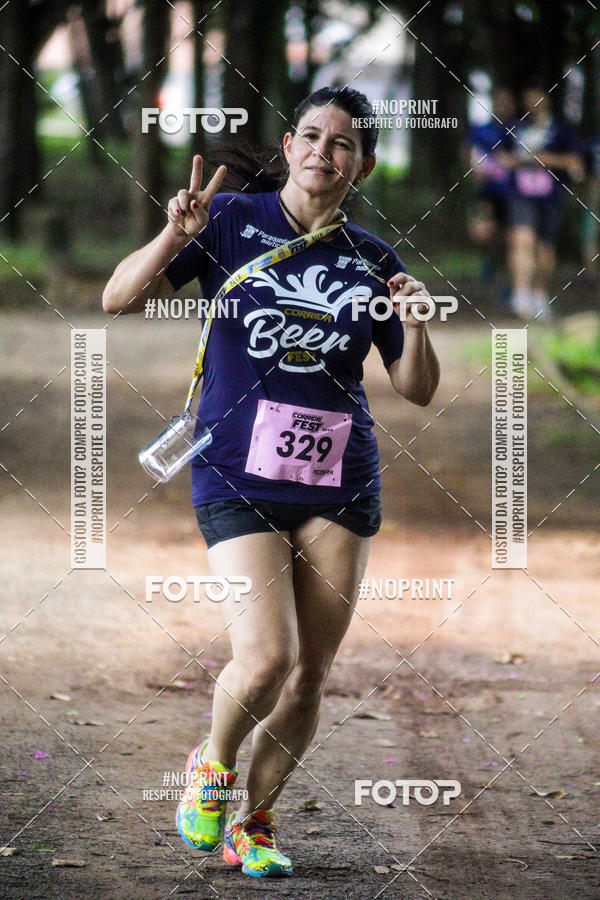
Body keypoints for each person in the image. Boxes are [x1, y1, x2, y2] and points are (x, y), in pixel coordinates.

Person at [102, 85, 440, 878]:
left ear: (365, 164)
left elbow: (417, 389)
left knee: (310, 675)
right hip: (235, 472)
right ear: (289, 147)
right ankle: (213, 766)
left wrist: (418, 327)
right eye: (313, 136)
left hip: (340, 481)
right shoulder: (225, 221)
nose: (326, 151)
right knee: (265, 659)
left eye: (345, 142)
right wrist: (170, 235)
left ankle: (253, 822)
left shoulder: (374, 260)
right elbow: (119, 299)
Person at [501, 85, 584, 320]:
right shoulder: (514, 128)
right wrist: (514, 162)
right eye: (527, 98)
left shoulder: (561, 130)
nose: (532, 102)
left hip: (550, 196)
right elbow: (498, 156)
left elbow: (575, 161)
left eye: (536, 97)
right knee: (521, 239)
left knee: (544, 248)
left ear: (547, 100)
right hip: (520, 194)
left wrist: (547, 160)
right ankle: (520, 294)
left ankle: (539, 293)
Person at [465, 86, 516, 299]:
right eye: (498, 102)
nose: (501, 106)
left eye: (505, 102)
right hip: (486, 191)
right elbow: (468, 153)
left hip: (513, 193)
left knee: (508, 238)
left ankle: (505, 280)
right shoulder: (480, 129)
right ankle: (488, 261)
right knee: (482, 233)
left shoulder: (518, 130)